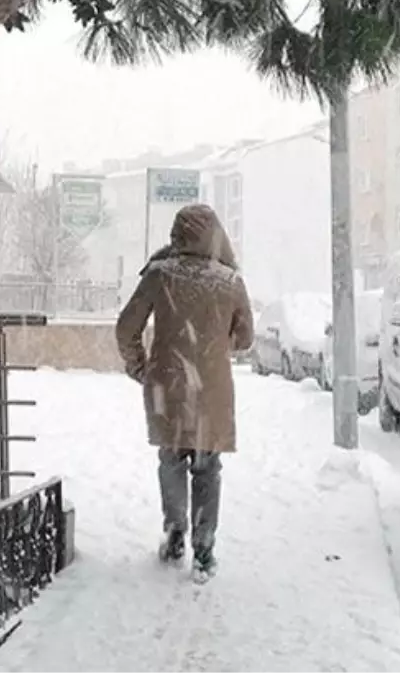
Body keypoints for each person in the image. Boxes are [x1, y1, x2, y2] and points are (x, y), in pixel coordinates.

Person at [115, 204, 254, 578]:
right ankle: (204, 548)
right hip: (211, 391)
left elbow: (126, 327)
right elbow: (244, 340)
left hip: (169, 387)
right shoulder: (229, 281)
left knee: (171, 460)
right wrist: (214, 341)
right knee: (207, 468)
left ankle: (175, 530)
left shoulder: (160, 274)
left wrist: (141, 367)